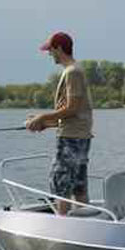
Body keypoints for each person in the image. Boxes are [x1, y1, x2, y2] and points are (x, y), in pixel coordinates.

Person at [26, 31, 94, 215]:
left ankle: (62, 227)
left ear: (59, 48)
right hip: (79, 137)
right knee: (78, 187)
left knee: (61, 187)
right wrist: (45, 124)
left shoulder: (72, 72)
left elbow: (73, 108)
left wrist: (42, 117)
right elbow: (74, 114)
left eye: (51, 50)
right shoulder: (74, 71)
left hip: (71, 140)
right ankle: (84, 225)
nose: (49, 54)